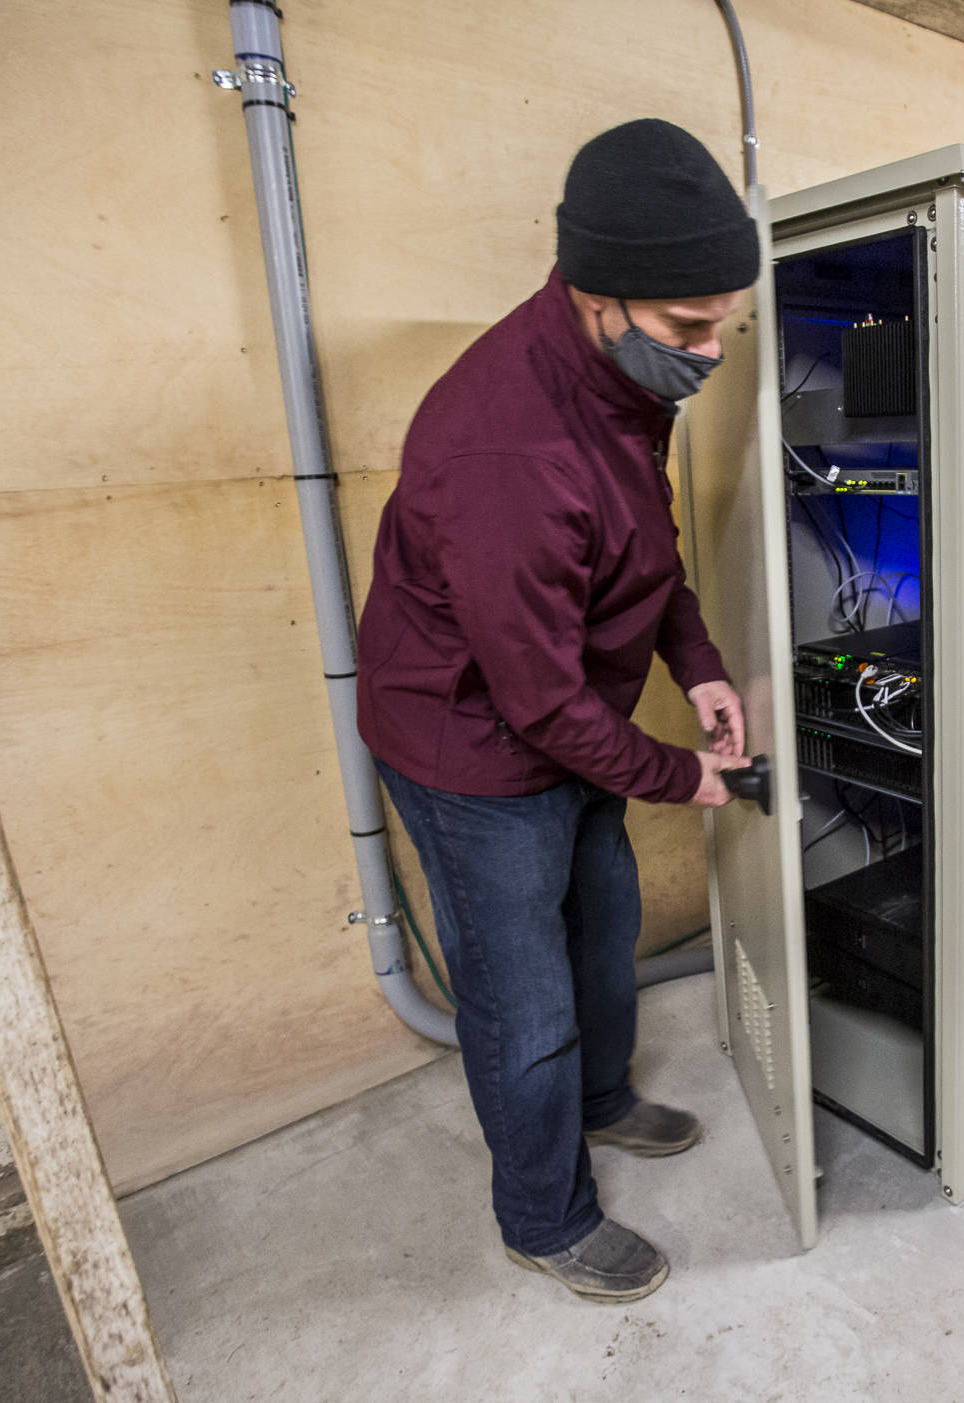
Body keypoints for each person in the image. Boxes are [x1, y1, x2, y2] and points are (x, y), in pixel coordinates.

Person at [356, 118, 757, 1304]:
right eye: (692, 328)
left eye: (725, 319)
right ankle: (543, 1214)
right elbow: (531, 698)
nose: (715, 350)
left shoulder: (616, 384)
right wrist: (682, 774)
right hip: (472, 747)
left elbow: (647, 562)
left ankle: (600, 1100)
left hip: (570, 721)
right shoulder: (507, 447)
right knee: (520, 993)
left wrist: (705, 671)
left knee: (601, 922)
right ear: (595, 293)